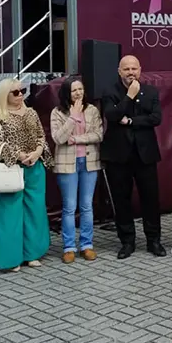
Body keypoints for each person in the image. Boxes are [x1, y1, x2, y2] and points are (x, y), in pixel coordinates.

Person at [100, 55, 166, 259]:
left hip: (145, 155)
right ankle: (127, 241)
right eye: (126, 69)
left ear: (140, 70)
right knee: (122, 200)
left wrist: (129, 121)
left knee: (151, 199)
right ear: (119, 71)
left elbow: (155, 118)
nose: (131, 73)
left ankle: (153, 240)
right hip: (118, 156)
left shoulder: (151, 91)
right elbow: (111, 115)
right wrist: (129, 96)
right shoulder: (109, 91)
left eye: (134, 69)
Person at [0, 79, 51, 273]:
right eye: (15, 92)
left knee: (35, 211)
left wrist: (38, 152)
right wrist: (20, 156)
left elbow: (41, 135)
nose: (20, 94)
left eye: (22, 90)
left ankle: (31, 254)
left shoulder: (31, 112)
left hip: (34, 167)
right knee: (9, 215)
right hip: (10, 168)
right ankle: (11, 259)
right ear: (4, 95)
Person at [50, 75, 103, 263]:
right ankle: (69, 247)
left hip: (89, 162)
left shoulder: (92, 110)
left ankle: (87, 245)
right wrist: (72, 118)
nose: (78, 93)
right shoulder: (57, 112)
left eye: (80, 89)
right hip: (67, 164)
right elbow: (58, 138)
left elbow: (98, 134)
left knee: (86, 206)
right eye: (74, 90)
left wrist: (77, 139)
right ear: (67, 93)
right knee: (69, 207)